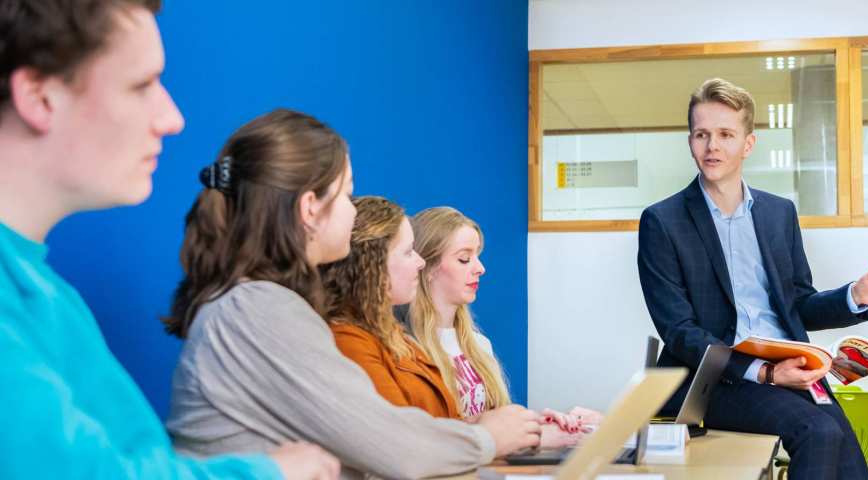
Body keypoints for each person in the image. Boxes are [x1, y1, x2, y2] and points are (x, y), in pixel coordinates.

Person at [0, 1, 337, 478]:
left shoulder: (48, 297)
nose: (173, 117)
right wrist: (269, 473)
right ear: (39, 97)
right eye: (141, 85)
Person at [162, 110, 540, 480]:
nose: (351, 210)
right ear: (310, 208)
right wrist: (489, 437)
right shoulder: (256, 310)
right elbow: (393, 445)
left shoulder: (255, 305)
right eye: (347, 194)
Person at [636, 78, 868, 480]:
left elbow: (799, 304)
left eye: (725, 134)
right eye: (701, 135)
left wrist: (855, 296)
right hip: (717, 378)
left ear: (748, 144)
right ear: (690, 141)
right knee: (818, 430)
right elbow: (679, 330)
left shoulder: (778, 214)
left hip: (792, 366)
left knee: (848, 457)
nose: (712, 146)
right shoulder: (662, 222)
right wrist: (765, 373)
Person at [407, 206, 598, 447]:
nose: (480, 268)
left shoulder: (479, 345)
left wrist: (534, 425)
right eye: (464, 258)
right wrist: (536, 436)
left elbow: (497, 429)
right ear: (426, 266)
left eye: (477, 256)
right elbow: (422, 440)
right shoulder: (405, 350)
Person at [320, 196, 460, 419]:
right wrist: (486, 432)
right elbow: (402, 434)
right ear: (373, 266)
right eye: (408, 252)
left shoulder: (394, 335)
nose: (421, 262)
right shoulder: (350, 343)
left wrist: (491, 424)